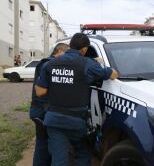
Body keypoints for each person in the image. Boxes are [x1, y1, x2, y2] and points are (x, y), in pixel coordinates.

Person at [35, 33, 118, 166]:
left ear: (70, 46)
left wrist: (60, 84)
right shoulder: (88, 64)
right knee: (84, 153)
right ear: (84, 49)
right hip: (76, 122)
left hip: (54, 120)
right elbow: (114, 74)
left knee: (59, 159)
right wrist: (99, 65)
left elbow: (40, 92)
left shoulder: (50, 64)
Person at [29, 43, 69, 166]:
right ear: (60, 51)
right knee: (45, 145)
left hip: (41, 110)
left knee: (44, 144)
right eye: (67, 53)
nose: (68, 57)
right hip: (42, 111)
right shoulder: (49, 64)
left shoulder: (47, 64)